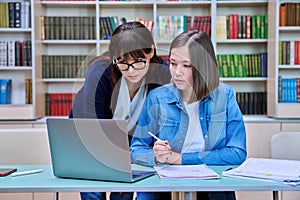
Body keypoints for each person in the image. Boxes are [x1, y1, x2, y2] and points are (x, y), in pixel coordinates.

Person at [130, 30, 247, 200]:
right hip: (162, 186)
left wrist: (181, 159)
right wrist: (156, 156)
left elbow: (237, 152)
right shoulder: (157, 98)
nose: (177, 72)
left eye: (186, 66)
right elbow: (136, 150)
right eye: (173, 63)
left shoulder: (225, 96)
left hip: (213, 186)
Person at [70, 21, 171, 200]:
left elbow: (162, 125)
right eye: (122, 62)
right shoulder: (100, 72)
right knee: (93, 192)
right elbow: (93, 130)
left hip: (137, 141)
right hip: (91, 135)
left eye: (138, 61)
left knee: (142, 191)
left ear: (151, 52)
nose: (131, 70)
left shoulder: (163, 74)